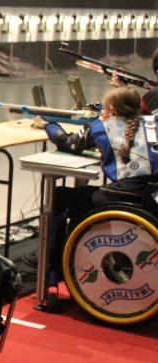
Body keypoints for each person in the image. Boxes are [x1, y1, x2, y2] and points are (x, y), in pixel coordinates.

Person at [43, 86, 158, 283]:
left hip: (125, 199)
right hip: (152, 199)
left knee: (60, 196)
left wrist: (49, 125)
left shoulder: (101, 126)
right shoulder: (153, 122)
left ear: (111, 110)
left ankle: (52, 270)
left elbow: (67, 143)